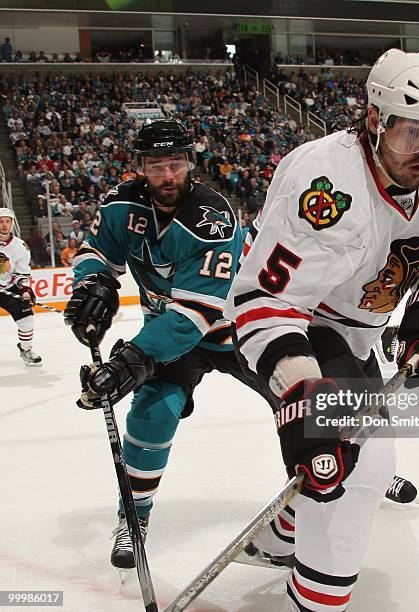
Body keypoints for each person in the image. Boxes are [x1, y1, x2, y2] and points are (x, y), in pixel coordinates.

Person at [224, 49, 419, 610]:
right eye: (413, 131)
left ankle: (277, 539)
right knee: (363, 461)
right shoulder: (325, 183)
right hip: (294, 326)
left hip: (354, 334)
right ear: (374, 120)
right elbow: (264, 300)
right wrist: (305, 392)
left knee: (345, 455)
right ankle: (318, 599)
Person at [63, 118, 274, 572]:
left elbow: (197, 314)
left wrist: (131, 360)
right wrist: (95, 281)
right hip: (172, 333)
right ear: (140, 166)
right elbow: (95, 251)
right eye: (155, 165)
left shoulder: (211, 219)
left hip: (233, 330)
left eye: (175, 163)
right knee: (150, 414)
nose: (167, 175)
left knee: (298, 397)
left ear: (190, 163)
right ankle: (133, 521)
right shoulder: (121, 205)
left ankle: (357, 466)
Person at [0, 208, 42, 366]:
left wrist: (24, 289)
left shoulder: (20, 246)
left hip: (8, 288)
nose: (4, 225)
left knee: (27, 318)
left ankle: (26, 349)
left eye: (7, 221)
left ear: (11, 223)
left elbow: (22, 273)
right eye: (1, 221)